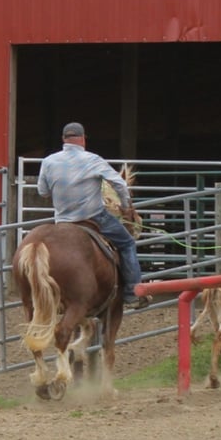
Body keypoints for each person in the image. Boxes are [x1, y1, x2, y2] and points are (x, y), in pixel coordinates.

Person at [36, 122, 150, 310]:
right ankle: (132, 293)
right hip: (93, 217)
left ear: (64, 139)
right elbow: (119, 184)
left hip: (63, 222)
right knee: (127, 243)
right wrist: (125, 205)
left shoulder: (49, 161)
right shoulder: (93, 160)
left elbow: (43, 192)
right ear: (82, 139)